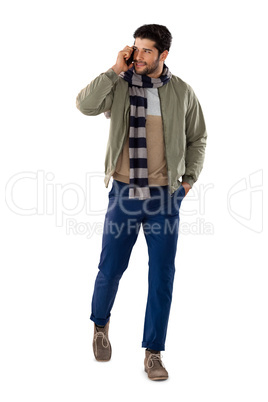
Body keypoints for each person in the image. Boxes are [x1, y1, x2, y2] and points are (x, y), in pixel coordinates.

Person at [76, 24, 207, 381]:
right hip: (123, 193)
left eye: (147, 51)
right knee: (111, 267)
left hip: (165, 198)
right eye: (136, 49)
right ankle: (100, 325)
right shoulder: (119, 84)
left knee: (161, 276)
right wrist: (114, 68)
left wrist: (188, 181)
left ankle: (153, 352)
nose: (138, 55)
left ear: (164, 56)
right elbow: (84, 105)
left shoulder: (182, 92)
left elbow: (198, 137)